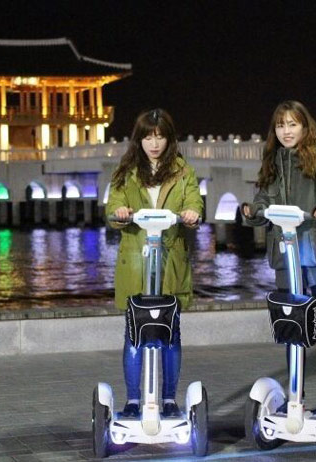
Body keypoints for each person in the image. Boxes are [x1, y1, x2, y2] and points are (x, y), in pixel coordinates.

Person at [242, 100, 316, 418]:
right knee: (292, 326)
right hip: (285, 256)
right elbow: (263, 199)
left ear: (304, 126)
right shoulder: (273, 160)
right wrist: (252, 211)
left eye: (292, 124)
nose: (286, 131)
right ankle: (295, 396)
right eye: (280, 125)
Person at [106, 108, 203, 418]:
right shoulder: (125, 172)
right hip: (136, 261)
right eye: (148, 137)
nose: (154, 144)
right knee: (134, 332)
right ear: (139, 140)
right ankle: (134, 400)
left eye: (160, 137)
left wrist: (192, 213)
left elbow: (194, 201)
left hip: (171, 262)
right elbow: (114, 206)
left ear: (170, 139)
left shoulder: (183, 172)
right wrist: (121, 213)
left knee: (170, 332)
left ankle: (170, 399)